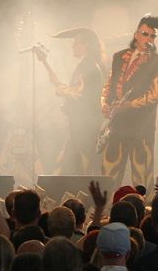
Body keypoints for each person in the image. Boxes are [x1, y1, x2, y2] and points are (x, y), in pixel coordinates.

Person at [101, 14, 158, 188]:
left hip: (141, 126)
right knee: (109, 173)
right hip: (117, 124)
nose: (149, 38)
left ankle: (144, 210)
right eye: (145, 34)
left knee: (142, 175)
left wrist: (129, 105)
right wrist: (103, 103)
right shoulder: (118, 57)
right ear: (136, 34)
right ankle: (104, 211)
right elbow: (109, 84)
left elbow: (155, 94)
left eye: (152, 36)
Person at [36, 27, 106, 174]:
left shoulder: (88, 66)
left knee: (75, 170)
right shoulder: (87, 65)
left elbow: (76, 94)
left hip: (86, 130)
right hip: (81, 129)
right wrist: (45, 63)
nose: (73, 46)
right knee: (68, 168)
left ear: (86, 45)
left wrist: (60, 89)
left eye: (76, 43)